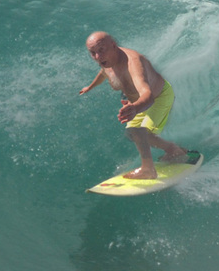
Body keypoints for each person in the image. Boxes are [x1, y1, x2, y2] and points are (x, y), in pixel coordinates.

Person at [80, 31, 188, 179]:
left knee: (139, 132)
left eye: (101, 50)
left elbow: (147, 95)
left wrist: (135, 108)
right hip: (137, 103)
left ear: (113, 45)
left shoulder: (133, 64)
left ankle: (148, 170)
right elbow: (103, 73)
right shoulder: (107, 60)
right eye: (93, 53)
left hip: (158, 97)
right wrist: (90, 87)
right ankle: (174, 150)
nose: (97, 57)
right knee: (133, 134)